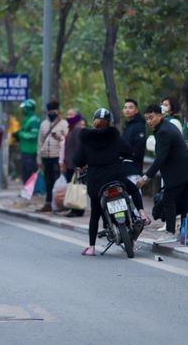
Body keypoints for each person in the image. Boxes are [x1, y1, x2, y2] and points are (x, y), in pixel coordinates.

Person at [74, 108, 150, 256]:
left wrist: (85, 163)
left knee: (95, 213)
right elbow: (129, 151)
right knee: (133, 189)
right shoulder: (114, 137)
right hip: (115, 177)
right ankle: (141, 214)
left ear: (94, 121)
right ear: (109, 122)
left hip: (96, 182)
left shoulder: (86, 139)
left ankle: (91, 247)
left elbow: (77, 160)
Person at [137, 104, 188, 244]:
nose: (149, 121)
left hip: (180, 171)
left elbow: (160, 158)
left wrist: (146, 177)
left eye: (151, 117)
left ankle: (170, 232)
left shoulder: (163, 131)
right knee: (184, 202)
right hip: (186, 168)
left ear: (160, 115)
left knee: (168, 200)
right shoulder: (164, 127)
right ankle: (186, 232)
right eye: (147, 119)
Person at [36, 101, 68, 213]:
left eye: (53, 111)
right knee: (48, 181)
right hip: (46, 157)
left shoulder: (64, 124)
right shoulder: (43, 124)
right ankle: (48, 203)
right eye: (49, 111)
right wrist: (39, 159)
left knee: (58, 181)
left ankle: (59, 204)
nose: (51, 113)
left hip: (57, 157)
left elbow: (66, 140)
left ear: (58, 111)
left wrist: (59, 137)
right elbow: (39, 142)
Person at [61, 108, 84, 217]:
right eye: (67, 114)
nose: (68, 116)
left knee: (77, 187)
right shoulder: (71, 128)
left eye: (71, 115)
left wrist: (79, 164)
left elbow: (79, 148)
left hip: (76, 165)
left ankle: (78, 210)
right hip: (70, 163)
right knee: (71, 186)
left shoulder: (78, 129)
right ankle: (73, 208)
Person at [13, 99, 40, 183]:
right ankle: (26, 190)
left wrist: (20, 134)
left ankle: (30, 190)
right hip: (25, 149)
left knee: (29, 171)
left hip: (30, 150)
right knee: (24, 172)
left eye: (24, 108)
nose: (23, 110)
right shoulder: (27, 119)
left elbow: (34, 135)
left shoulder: (34, 120)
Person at [121, 98, 147, 178]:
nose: (127, 110)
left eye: (130, 107)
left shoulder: (139, 126)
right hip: (124, 169)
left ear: (136, 110)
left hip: (134, 171)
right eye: (125, 107)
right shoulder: (127, 126)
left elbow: (138, 150)